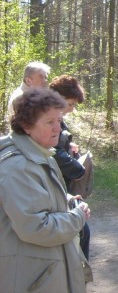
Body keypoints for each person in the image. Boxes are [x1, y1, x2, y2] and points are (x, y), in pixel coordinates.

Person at [0, 88, 91, 292]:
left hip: (43, 272)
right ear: (26, 125)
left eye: (59, 121)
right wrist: (77, 217)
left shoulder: (38, 153)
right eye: (49, 122)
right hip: (33, 278)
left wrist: (65, 200)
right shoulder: (18, 166)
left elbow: (36, 197)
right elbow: (36, 227)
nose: (57, 128)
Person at [49, 75, 91, 260]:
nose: (72, 109)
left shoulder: (56, 118)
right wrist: (77, 169)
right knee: (81, 231)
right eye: (71, 104)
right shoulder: (47, 117)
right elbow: (54, 152)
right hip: (53, 188)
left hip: (60, 188)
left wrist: (69, 146)